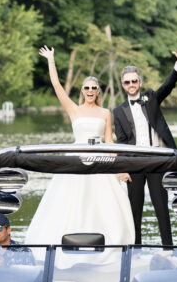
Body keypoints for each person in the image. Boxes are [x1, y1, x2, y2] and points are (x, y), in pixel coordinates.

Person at [24, 46, 135, 245]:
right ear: (82, 91)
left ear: (98, 91)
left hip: (101, 159)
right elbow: (57, 85)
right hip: (77, 158)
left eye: (94, 88)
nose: (90, 91)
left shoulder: (105, 113)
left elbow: (110, 141)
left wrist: (121, 168)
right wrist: (51, 59)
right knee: (73, 201)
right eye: (87, 88)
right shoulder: (74, 110)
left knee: (104, 202)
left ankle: (111, 242)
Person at [112, 39, 177, 246]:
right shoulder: (118, 111)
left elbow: (168, 85)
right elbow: (122, 142)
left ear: (140, 82)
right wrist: (122, 168)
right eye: (127, 82)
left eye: (134, 81)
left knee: (161, 208)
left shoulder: (151, 98)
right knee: (134, 211)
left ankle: (168, 249)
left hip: (156, 160)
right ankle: (135, 250)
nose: (131, 85)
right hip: (134, 165)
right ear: (123, 84)